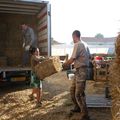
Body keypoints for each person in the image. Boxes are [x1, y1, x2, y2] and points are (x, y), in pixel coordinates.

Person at [63, 30, 91, 120]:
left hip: (81, 71)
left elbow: (72, 58)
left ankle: (85, 114)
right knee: (72, 90)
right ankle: (77, 107)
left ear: (75, 36)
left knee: (79, 93)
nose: (73, 40)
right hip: (79, 70)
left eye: (73, 38)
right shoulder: (85, 44)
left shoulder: (78, 44)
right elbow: (89, 56)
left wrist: (64, 65)